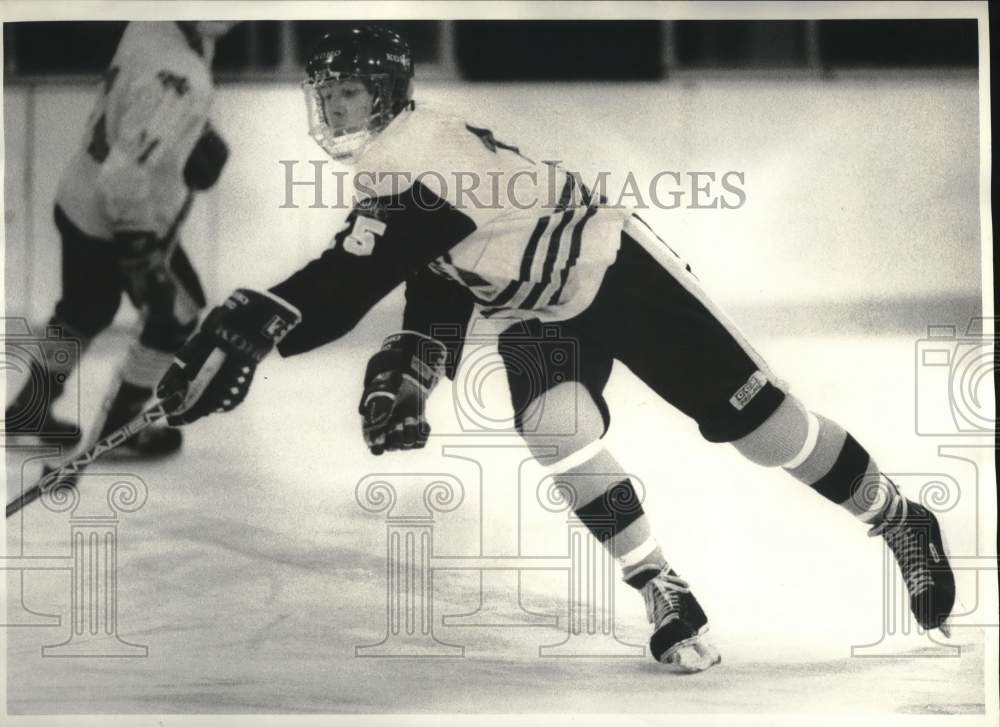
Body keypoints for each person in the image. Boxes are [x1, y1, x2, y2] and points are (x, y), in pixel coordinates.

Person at [156, 26, 956, 672]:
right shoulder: (388, 166)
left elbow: (355, 275)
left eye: (349, 95)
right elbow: (435, 278)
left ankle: (898, 518)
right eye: (326, 97)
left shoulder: (425, 151)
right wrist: (410, 377)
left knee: (767, 432)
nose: (334, 111)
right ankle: (661, 585)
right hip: (533, 312)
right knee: (555, 430)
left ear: (389, 95)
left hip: (613, 271)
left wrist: (259, 319)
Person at [5, 21, 235, 456]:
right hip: (118, 215)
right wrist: (140, 251)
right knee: (176, 318)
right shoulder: (181, 70)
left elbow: (138, 106)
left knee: (85, 310)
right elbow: (123, 175)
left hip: (79, 198)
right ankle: (120, 429)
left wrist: (190, 135)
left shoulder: (149, 25)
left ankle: (28, 411)